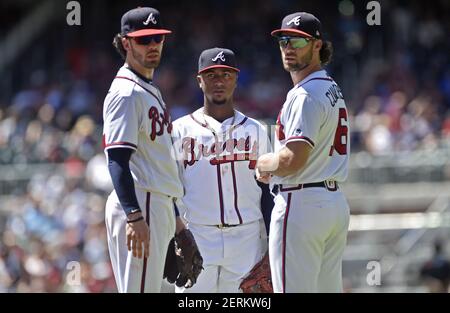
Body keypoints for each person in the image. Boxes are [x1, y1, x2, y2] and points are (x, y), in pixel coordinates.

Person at [256, 12, 350, 293]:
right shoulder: (331, 87)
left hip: (301, 202)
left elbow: (292, 160)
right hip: (332, 203)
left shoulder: (304, 95)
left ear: (318, 45)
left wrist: (264, 162)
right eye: (284, 40)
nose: (288, 47)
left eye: (298, 41)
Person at [172, 47, 273, 292]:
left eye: (226, 74)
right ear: (199, 80)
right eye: (211, 75)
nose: (219, 81)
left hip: (248, 238)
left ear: (236, 79)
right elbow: (167, 191)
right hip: (197, 236)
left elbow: (269, 191)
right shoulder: (179, 131)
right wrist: (177, 234)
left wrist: (272, 243)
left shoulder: (256, 130)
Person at [103, 7, 187, 293]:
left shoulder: (148, 88)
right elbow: (116, 160)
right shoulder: (126, 92)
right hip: (142, 203)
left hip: (156, 203)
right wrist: (134, 216)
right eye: (144, 39)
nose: (153, 45)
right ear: (126, 43)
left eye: (157, 38)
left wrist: (176, 221)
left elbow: (158, 161)